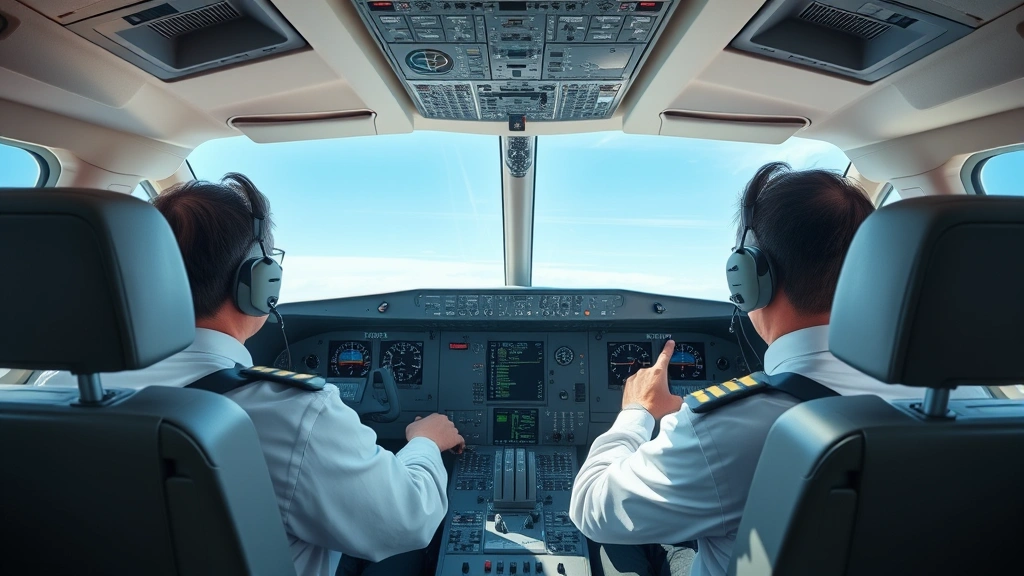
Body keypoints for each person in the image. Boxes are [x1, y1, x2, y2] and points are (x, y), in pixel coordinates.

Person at [568, 162, 989, 576]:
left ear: (747, 277)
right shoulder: (969, 404)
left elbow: (592, 506)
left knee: (633, 552)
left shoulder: (729, 429)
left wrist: (636, 414)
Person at [38, 174, 465, 576]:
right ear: (259, 282)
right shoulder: (289, 413)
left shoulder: (53, 394)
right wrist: (425, 443)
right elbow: (406, 520)